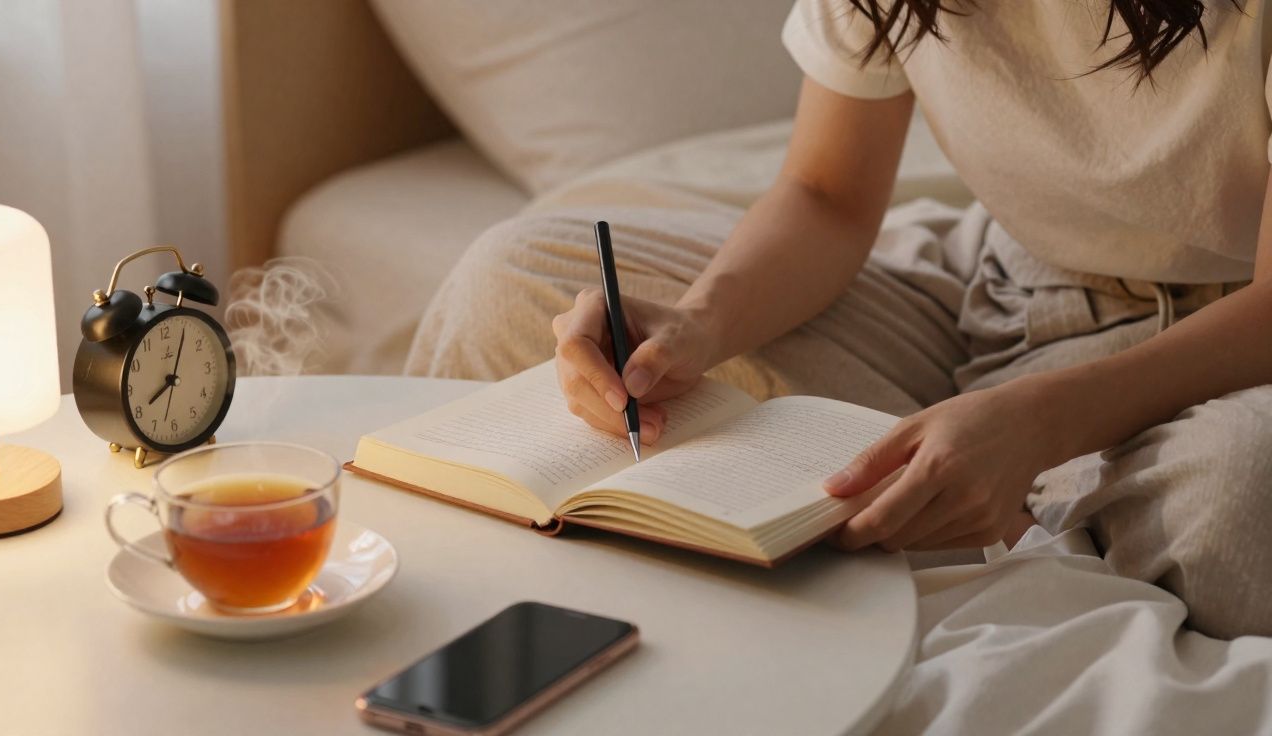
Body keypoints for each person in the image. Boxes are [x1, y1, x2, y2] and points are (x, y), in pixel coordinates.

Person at [406, 0, 1272, 639]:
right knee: (513, 277)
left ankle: (1033, 515)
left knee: (1244, 500)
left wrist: (1038, 426)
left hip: (1236, 348)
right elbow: (824, 195)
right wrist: (696, 327)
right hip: (1006, 297)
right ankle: (1035, 514)